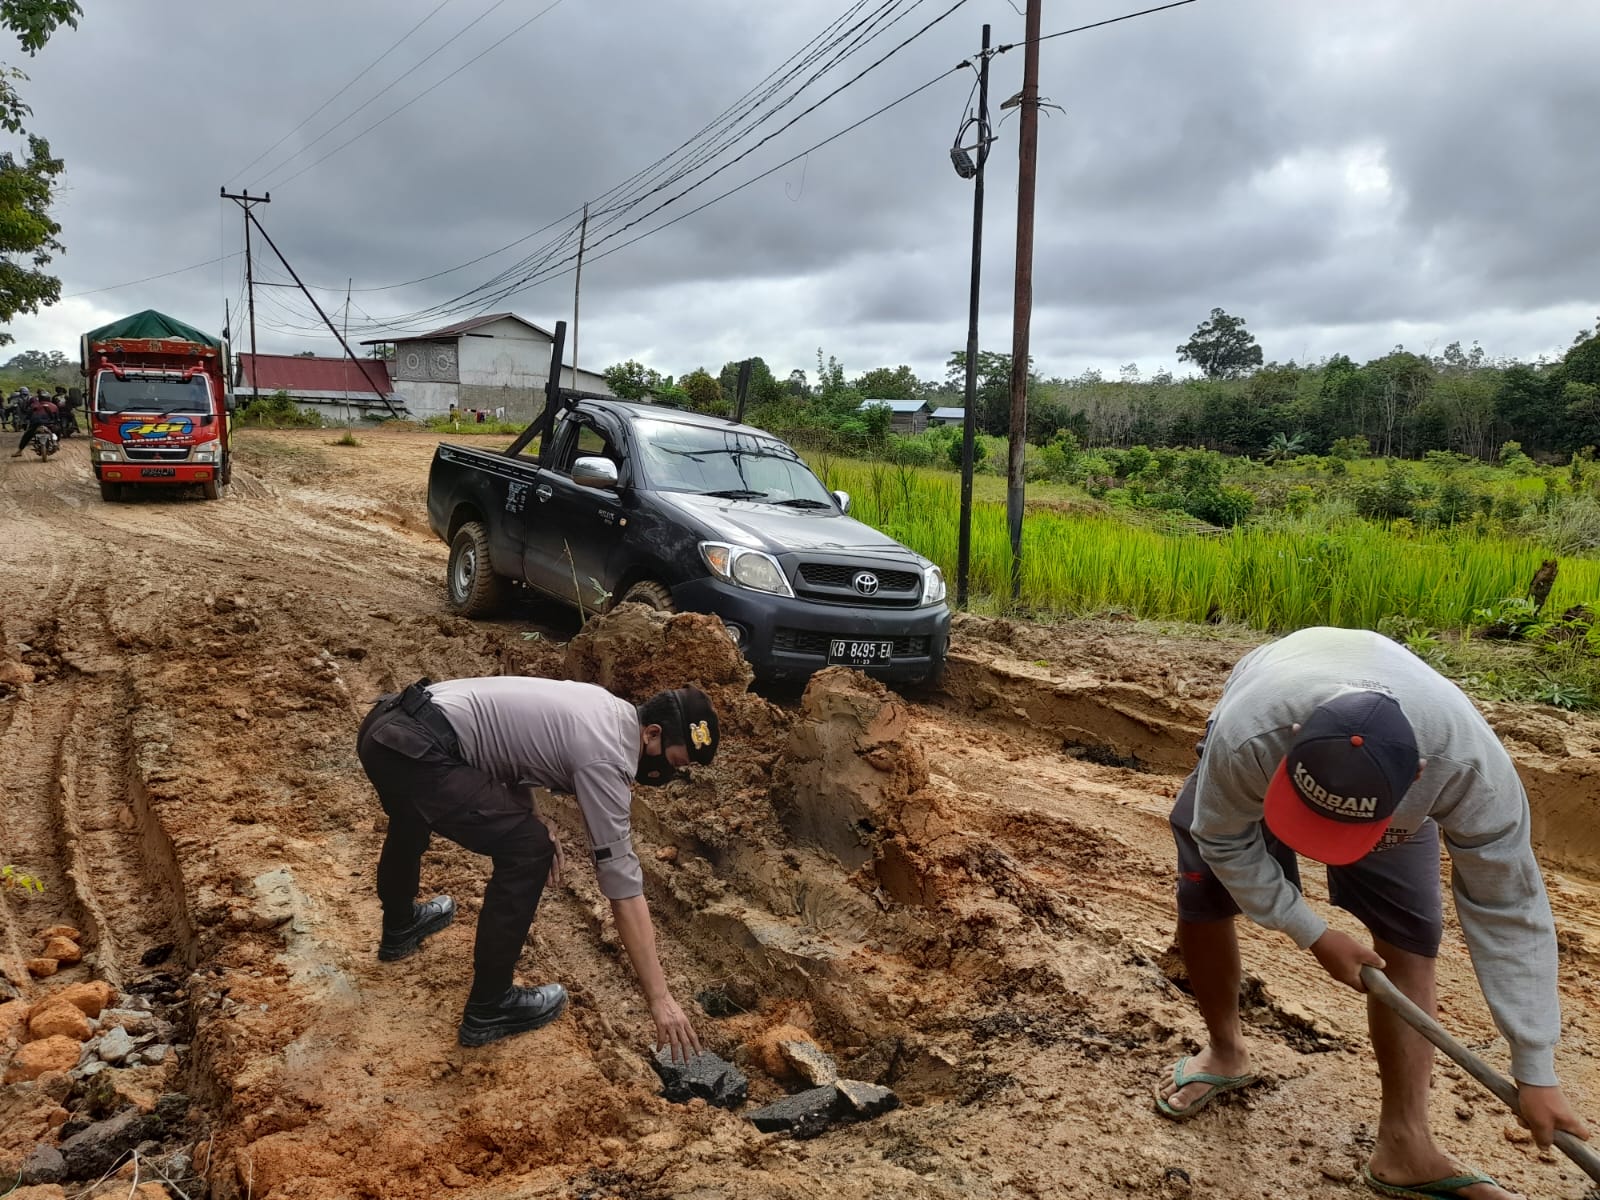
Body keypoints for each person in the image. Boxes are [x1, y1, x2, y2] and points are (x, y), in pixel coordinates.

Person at [1156, 627, 1590, 1200]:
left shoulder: (1468, 772)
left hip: (1401, 787)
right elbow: (1224, 839)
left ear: (1416, 778)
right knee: (1206, 897)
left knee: (1411, 937)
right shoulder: (1253, 735)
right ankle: (1226, 1050)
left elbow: (1508, 905)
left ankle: (1405, 1147)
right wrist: (1311, 932)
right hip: (1270, 718)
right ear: (1293, 744)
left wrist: (1535, 1066)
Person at [356, 675, 719, 1055]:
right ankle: (490, 1005)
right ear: (652, 734)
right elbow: (622, 884)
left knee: (413, 810)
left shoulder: (603, 707)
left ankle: (400, 926)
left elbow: (511, 756)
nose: (671, 773)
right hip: (418, 752)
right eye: (675, 761)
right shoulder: (607, 755)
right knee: (528, 849)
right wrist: (661, 999)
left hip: (388, 729)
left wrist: (530, 814)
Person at [12, 389, 59, 457]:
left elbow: (29, 414)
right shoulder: (54, 406)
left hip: (36, 424)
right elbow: (57, 417)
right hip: (50, 424)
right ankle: (56, 443)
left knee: (27, 436)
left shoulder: (35, 405)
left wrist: (27, 419)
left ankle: (19, 451)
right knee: (58, 431)